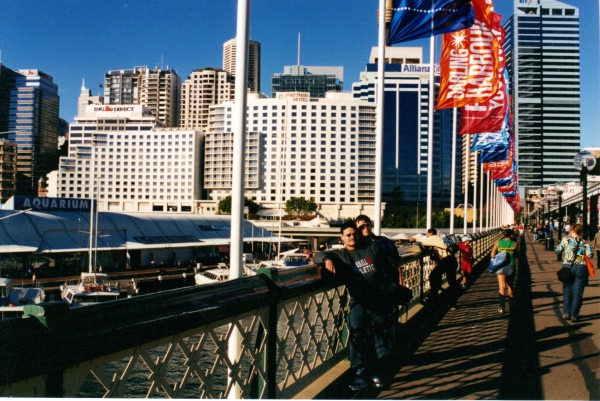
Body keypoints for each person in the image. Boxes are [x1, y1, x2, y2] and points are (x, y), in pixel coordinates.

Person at [313, 222, 398, 391]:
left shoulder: (372, 248)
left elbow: (390, 265)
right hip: (359, 302)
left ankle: (377, 373)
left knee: (381, 339)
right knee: (358, 338)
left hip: (380, 300)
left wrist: (391, 285)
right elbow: (318, 255)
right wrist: (327, 260)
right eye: (348, 235)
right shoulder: (340, 255)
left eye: (354, 234)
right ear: (342, 238)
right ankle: (359, 375)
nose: (352, 237)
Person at [408, 228, 459, 309]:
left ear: (430, 234)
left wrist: (414, 239)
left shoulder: (433, 238)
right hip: (452, 260)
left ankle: (433, 297)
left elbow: (422, 241)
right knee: (452, 282)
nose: (427, 236)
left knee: (433, 276)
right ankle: (453, 303)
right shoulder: (438, 238)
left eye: (427, 234)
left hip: (446, 261)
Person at [555, 223, 593, 322]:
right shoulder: (584, 242)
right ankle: (574, 315)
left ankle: (566, 313)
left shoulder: (566, 240)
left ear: (572, 230)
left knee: (567, 290)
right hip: (581, 267)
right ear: (580, 232)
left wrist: (563, 243)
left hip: (567, 266)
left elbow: (557, 251)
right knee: (578, 293)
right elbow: (590, 255)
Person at [490, 229, 518, 314]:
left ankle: (502, 308)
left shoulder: (498, 242)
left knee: (501, 286)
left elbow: (492, 255)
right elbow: (516, 254)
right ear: (511, 235)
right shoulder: (514, 243)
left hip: (500, 266)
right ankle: (512, 306)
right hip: (510, 265)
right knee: (510, 285)